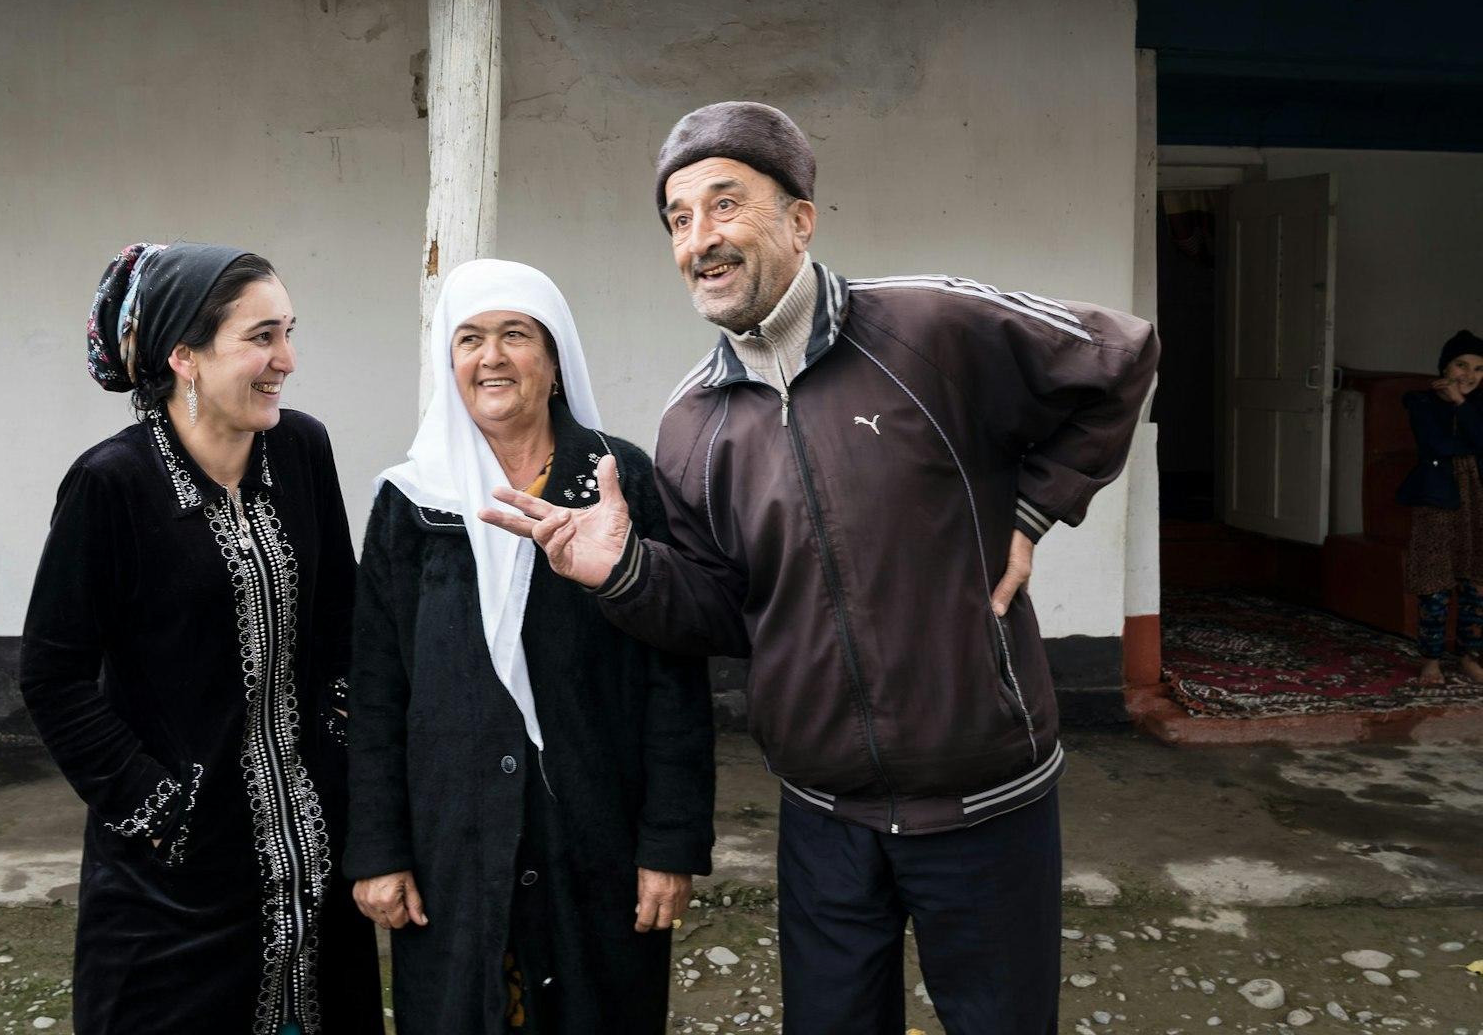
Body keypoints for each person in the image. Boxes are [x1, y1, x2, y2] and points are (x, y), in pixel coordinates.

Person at [483, 102, 1159, 1034]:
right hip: (823, 818)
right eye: (679, 219)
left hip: (986, 799)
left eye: (726, 205)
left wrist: (1034, 509)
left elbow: (1119, 357)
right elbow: (725, 611)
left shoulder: (928, 327)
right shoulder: (694, 426)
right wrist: (623, 571)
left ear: (800, 218)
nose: (699, 239)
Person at [344, 258, 715, 1034]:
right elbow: (376, 693)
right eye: (470, 339)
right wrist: (378, 850)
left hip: (596, 837)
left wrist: (670, 842)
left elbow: (671, 677)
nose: (492, 357)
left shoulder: (618, 483)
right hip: (453, 842)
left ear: (553, 362)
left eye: (516, 335)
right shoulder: (411, 502)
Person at [20, 242, 382, 1035]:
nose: (286, 359)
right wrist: (160, 809)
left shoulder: (302, 449)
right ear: (183, 354)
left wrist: (344, 749)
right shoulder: (110, 485)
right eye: (260, 337)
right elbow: (53, 677)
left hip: (315, 856)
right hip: (172, 888)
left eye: (288, 332)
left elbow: (341, 623)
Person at [1396, 328, 1483, 685]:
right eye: (1461, 365)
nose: (1469, 375)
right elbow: (1437, 445)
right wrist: (1465, 423)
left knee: (1477, 581)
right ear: (1444, 366)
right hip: (1438, 498)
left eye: (1479, 369)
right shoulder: (1420, 401)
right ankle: (1430, 660)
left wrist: (1463, 405)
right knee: (1435, 579)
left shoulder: (1478, 405)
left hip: (1478, 499)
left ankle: (1469, 656)